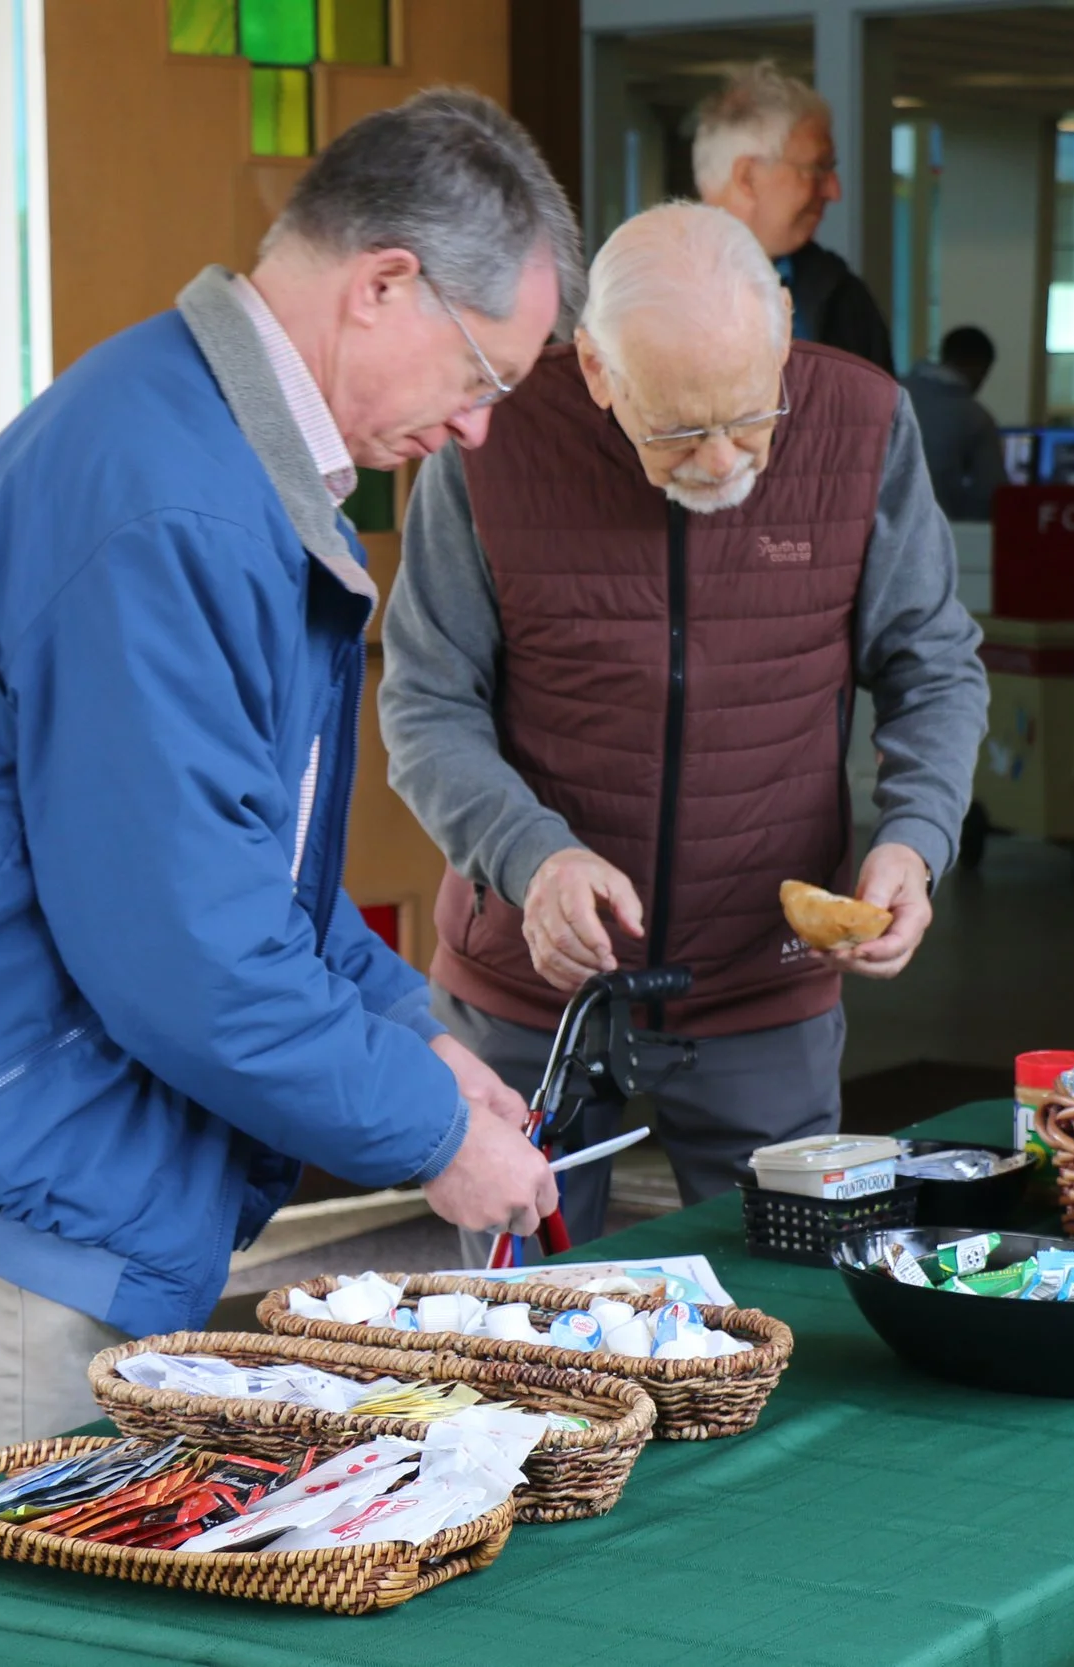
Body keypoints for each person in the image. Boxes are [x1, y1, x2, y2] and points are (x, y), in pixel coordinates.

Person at [0, 91, 581, 1466]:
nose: (482, 430)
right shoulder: (171, 502)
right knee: (35, 1582)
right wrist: (434, 1129)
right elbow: (189, 949)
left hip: (19, 1089)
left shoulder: (209, 444)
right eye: (484, 377)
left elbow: (246, 860)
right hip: (10, 1142)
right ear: (384, 285)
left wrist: (413, 1032)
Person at [380, 203, 985, 1252]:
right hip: (534, 994)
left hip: (765, 983)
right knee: (528, 1338)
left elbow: (932, 665)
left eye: (752, 417)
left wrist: (914, 839)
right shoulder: (489, 444)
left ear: (785, 327)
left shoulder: (863, 423)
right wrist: (534, 856)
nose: (719, 458)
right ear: (601, 368)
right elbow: (426, 705)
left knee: (792, 1306)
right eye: (676, 429)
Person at [694, 61, 893, 374]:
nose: (834, 190)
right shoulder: (647, 292)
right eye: (817, 168)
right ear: (748, 177)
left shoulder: (845, 301)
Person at [903, 326, 1009, 522]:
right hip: (940, 537)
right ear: (981, 367)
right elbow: (991, 496)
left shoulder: (893, 393)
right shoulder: (975, 418)